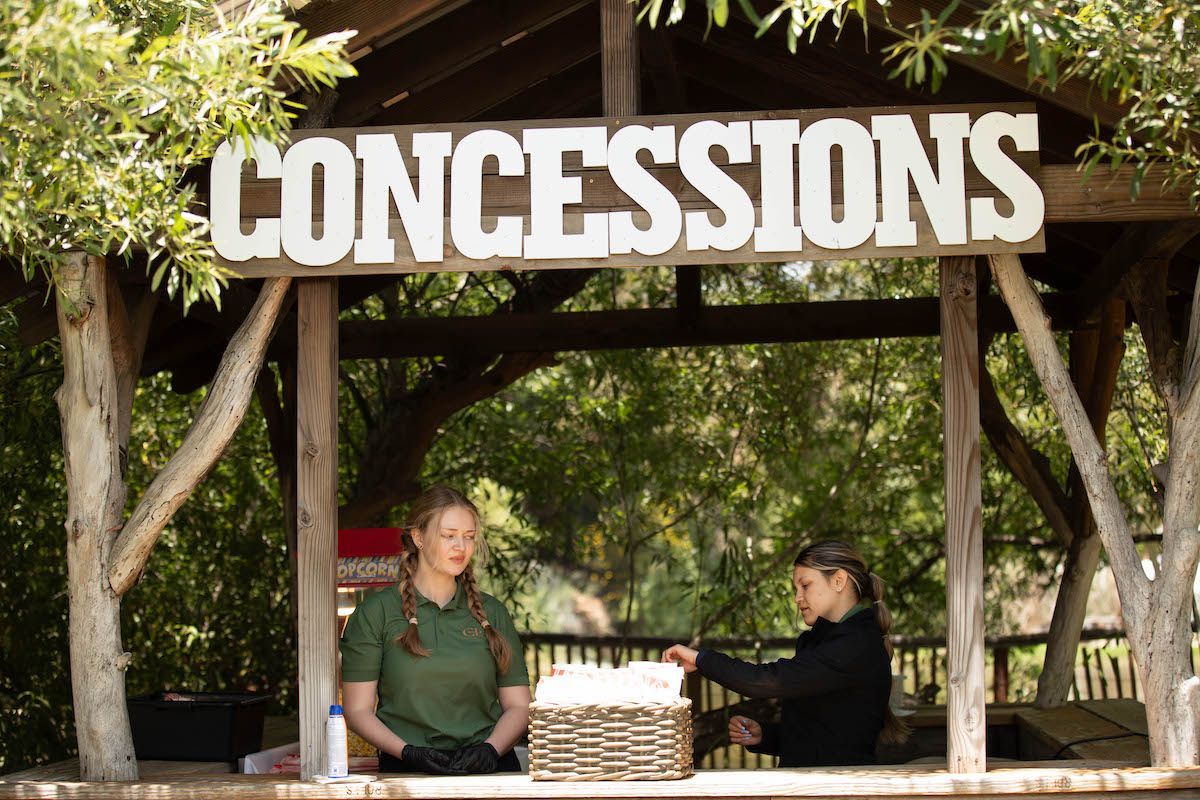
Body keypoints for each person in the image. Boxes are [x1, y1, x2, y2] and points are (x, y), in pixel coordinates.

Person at [661, 540, 908, 767]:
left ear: (839, 580)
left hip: (839, 790)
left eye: (805, 585)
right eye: (796, 588)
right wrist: (765, 736)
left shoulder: (855, 645)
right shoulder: (829, 641)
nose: (797, 598)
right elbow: (824, 735)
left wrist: (700, 659)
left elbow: (765, 681)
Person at [339, 485, 531, 774]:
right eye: (448, 535)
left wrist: (490, 749)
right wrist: (407, 753)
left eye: (469, 537)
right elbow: (357, 711)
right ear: (418, 537)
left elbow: (519, 705)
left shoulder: (493, 612)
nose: (461, 547)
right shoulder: (374, 614)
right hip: (407, 771)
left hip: (489, 770)